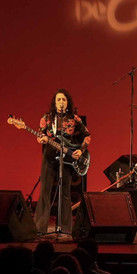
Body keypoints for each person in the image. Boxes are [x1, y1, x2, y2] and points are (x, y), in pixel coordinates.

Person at [33, 89, 91, 236]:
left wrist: (81, 150)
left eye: (63, 100)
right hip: (49, 157)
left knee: (65, 193)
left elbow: (87, 135)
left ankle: (65, 228)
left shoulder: (74, 119)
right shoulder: (47, 118)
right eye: (58, 100)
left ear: (67, 102)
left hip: (67, 160)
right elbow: (40, 135)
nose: (61, 103)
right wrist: (42, 139)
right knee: (45, 191)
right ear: (54, 103)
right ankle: (40, 228)